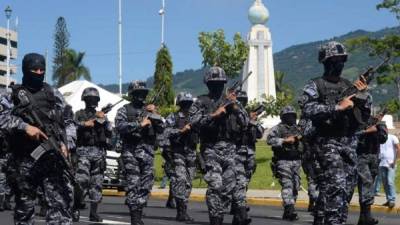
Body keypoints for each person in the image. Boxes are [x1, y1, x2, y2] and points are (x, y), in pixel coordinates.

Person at [299, 41, 370, 225]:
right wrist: (337, 107)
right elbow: (307, 109)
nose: (339, 64)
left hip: (348, 142)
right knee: (336, 185)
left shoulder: (348, 85)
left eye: (342, 60)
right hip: (326, 142)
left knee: (346, 190)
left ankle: (330, 219)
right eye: (335, 60)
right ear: (326, 62)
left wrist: (362, 98)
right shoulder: (315, 85)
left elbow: (363, 118)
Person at [0, 53, 74, 224]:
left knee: (60, 208)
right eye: (35, 69)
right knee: (24, 211)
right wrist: (24, 127)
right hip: (24, 160)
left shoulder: (52, 93)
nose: (39, 72)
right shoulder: (11, 94)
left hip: (52, 158)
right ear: (26, 70)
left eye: (42, 70)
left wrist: (66, 143)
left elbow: (69, 121)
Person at [189, 67, 248, 225]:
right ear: (208, 84)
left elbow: (246, 122)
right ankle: (216, 219)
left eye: (220, 83)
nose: (217, 86)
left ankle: (221, 212)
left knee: (229, 186)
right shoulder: (201, 102)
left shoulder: (231, 101)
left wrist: (235, 107)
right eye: (214, 83)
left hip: (230, 149)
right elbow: (193, 123)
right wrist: (214, 115)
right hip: (210, 148)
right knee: (216, 185)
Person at [115, 81, 164, 225]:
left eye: (143, 94)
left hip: (147, 152)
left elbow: (162, 128)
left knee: (146, 184)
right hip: (130, 152)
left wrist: (154, 114)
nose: (141, 97)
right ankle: (135, 218)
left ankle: (139, 211)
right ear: (132, 95)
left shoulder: (150, 111)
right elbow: (120, 127)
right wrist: (138, 124)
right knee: (133, 184)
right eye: (138, 94)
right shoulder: (124, 110)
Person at [74, 87, 113, 222]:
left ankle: (94, 213)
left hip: (99, 153)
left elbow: (110, 133)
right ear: (84, 100)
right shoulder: (79, 114)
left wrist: (105, 120)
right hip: (83, 152)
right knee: (81, 181)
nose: (92, 101)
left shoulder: (102, 116)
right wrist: (85, 124)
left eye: (94, 99)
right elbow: (72, 127)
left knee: (96, 184)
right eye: (89, 99)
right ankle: (76, 207)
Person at [162, 92, 198, 222]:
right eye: (184, 104)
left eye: (188, 104)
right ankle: (181, 212)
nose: (186, 107)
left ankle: (184, 209)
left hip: (191, 153)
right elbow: (165, 132)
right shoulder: (174, 117)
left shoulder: (196, 117)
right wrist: (180, 131)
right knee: (180, 180)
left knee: (188, 183)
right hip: (178, 153)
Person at [267, 106, 302, 221]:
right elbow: (269, 140)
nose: (291, 118)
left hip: (296, 160)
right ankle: (289, 209)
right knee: (287, 184)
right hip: (283, 160)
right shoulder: (278, 128)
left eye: (293, 116)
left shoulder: (298, 129)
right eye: (288, 116)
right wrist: (284, 141)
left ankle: (288, 209)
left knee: (296, 186)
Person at [355, 112, 388, 225]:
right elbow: (352, 135)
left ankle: (363, 217)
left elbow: (383, 138)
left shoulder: (380, 123)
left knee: (368, 186)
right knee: (366, 183)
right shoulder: (358, 121)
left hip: (374, 157)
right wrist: (366, 130)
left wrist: (378, 127)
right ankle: (367, 216)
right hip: (361, 156)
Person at [378, 131, 400, 208]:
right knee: (385, 182)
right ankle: (389, 199)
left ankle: (392, 200)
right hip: (381, 163)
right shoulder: (379, 138)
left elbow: (398, 148)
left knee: (390, 181)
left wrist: (395, 161)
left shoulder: (393, 137)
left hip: (391, 164)